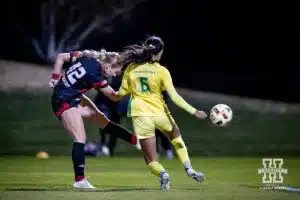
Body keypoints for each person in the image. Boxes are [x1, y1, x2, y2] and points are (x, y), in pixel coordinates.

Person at [117, 36, 208, 191]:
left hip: (141, 116)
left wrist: (105, 90)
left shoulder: (131, 68)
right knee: (177, 139)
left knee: (151, 160)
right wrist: (194, 111)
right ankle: (189, 169)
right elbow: (174, 97)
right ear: (160, 53)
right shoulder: (162, 71)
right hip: (160, 114)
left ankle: (163, 174)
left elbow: (120, 93)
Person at [48, 49, 138, 189]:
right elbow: (113, 97)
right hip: (63, 100)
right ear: (107, 67)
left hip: (73, 96)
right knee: (80, 137)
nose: (115, 75)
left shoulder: (89, 56)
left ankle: (135, 140)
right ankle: (79, 181)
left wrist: (55, 77)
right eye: (115, 72)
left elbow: (60, 57)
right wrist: (129, 89)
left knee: (102, 121)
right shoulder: (95, 74)